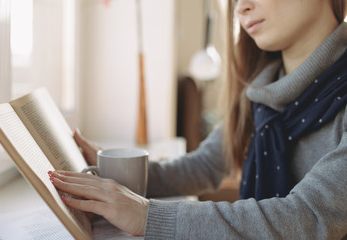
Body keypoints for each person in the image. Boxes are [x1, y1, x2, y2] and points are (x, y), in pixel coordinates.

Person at [49, 0, 347, 238]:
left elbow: (309, 217)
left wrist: (147, 216)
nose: (241, 7)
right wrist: (118, 172)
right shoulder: (258, 93)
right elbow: (205, 166)